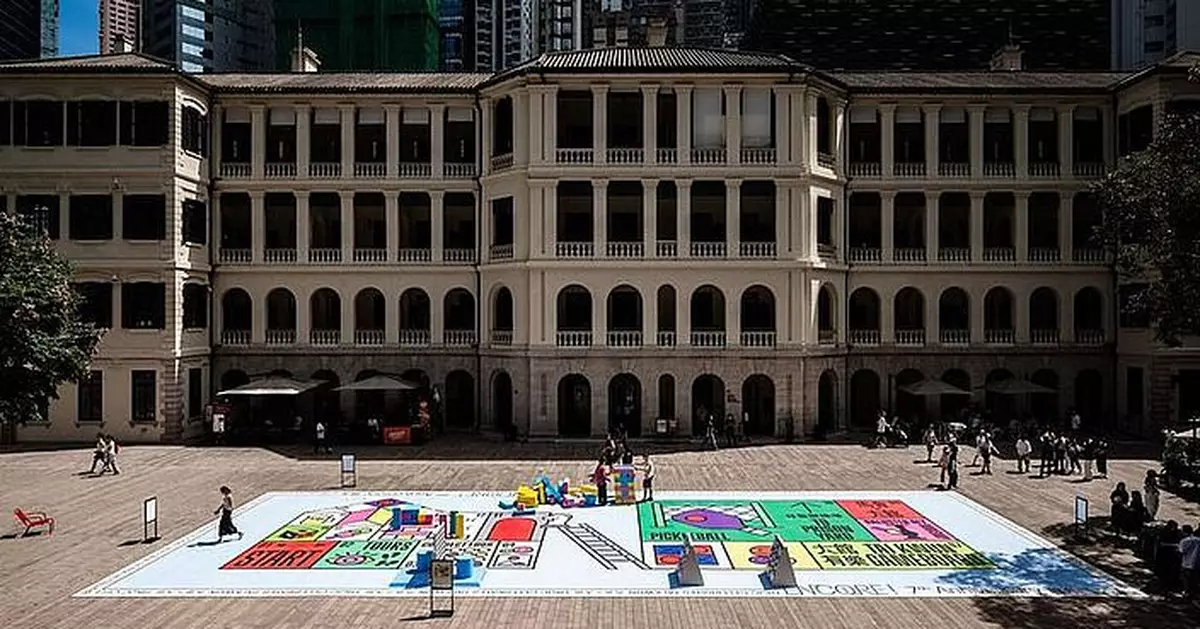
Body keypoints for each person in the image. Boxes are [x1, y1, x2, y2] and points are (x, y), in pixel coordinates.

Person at [1180, 525, 1200, 599]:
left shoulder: (1184, 541)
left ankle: (1187, 593)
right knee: (1194, 580)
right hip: (1197, 564)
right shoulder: (1198, 540)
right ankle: (1194, 594)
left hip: (1186, 563)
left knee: (1186, 581)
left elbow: (1181, 551)